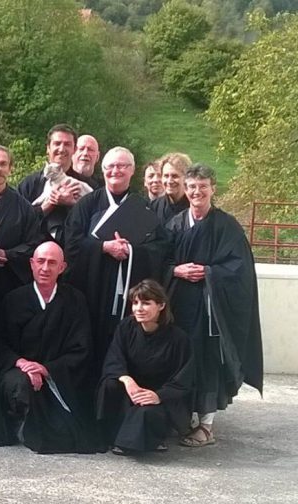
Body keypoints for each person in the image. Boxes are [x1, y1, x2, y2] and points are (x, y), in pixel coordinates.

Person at [164, 164, 262, 448]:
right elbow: (159, 259)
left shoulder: (226, 225)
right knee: (180, 360)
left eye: (202, 186)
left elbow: (240, 268)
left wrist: (209, 273)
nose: (197, 192)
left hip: (210, 311)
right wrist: (175, 271)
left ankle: (206, 425)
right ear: (185, 188)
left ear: (213, 189)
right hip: (179, 305)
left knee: (206, 362)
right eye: (192, 186)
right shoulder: (175, 224)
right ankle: (181, 419)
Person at [0, 242, 100, 453]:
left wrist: (46, 369)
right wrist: (23, 364)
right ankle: (20, 420)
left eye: (52, 263)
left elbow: (82, 349)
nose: (45, 268)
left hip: (58, 380)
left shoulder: (75, 301)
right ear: (31, 264)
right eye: (41, 261)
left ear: (62, 268)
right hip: (20, 374)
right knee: (17, 384)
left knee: (64, 435)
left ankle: (35, 425)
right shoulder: (13, 299)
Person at [64, 147, 170, 373]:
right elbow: (71, 245)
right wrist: (103, 247)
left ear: (132, 171)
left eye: (122, 166)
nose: (116, 171)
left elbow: (161, 247)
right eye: (110, 166)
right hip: (94, 292)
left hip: (130, 294)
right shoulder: (87, 204)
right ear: (102, 170)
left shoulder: (143, 207)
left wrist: (133, 251)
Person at [97, 279, 193, 455]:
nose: (138, 309)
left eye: (146, 303)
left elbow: (184, 378)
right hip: (132, 390)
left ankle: (143, 439)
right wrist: (127, 380)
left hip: (161, 395)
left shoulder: (178, 338)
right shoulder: (126, 327)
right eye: (135, 303)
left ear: (161, 305)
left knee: (145, 413)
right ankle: (120, 436)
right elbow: (114, 358)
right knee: (110, 385)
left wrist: (158, 395)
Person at [0, 145, 47, 302]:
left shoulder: (24, 207)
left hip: (10, 281)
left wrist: (7, 254)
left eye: (3, 164)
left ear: (10, 169)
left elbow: (34, 242)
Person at [17, 124, 85, 244]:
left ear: (74, 149)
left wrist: (73, 204)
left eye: (67, 144)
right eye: (57, 143)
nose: (62, 149)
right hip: (34, 253)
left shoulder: (84, 184)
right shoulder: (28, 184)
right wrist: (48, 205)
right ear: (48, 148)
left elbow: (94, 221)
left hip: (72, 252)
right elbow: (19, 221)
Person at [149, 153, 192, 224]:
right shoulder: (154, 207)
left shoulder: (194, 208)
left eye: (175, 176)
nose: (169, 181)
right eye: (166, 176)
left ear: (187, 178)